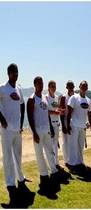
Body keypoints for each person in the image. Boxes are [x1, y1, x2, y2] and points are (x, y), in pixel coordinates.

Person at [0, 63, 35, 208]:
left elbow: (22, 104)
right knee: (8, 156)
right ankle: (10, 183)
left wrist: (21, 123)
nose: (16, 74)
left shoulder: (19, 88)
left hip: (17, 129)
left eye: (17, 72)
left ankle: (21, 178)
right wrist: (2, 119)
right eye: (14, 72)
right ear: (8, 74)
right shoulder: (2, 88)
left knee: (18, 155)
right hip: (6, 130)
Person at [27, 76, 60, 198]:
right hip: (37, 131)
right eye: (38, 83)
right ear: (35, 84)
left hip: (46, 130)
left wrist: (51, 128)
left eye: (42, 83)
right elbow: (30, 117)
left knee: (50, 152)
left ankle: (54, 172)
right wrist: (34, 132)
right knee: (40, 155)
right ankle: (44, 176)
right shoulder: (31, 99)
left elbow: (46, 114)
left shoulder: (45, 98)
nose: (41, 85)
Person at [66, 81, 91, 172]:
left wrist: (90, 124)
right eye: (82, 86)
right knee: (73, 145)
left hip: (82, 126)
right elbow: (69, 112)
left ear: (87, 88)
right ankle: (72, 164)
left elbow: (89, 114)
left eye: (86, 86)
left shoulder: (88, 100)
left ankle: (80, 162)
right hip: (74, 125)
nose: (84, 88)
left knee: (80, 146)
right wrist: (68, 125)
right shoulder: (74, 97)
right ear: (79, 86)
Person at [46, 80, 63, 170]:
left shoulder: (56, 97)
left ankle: (56, 163)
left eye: (55, 86)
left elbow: (57, 109)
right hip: (50, 124)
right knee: (50, 145)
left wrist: (60, 111)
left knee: (55, 144)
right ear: (48, 87)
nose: (54, 88)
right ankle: (51, 164)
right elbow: (45, 111)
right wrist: (55, 112)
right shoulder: (46, 97)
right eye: (52, 86)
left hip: (57, 124)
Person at [59, 81, 75, 166]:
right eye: (69, 86)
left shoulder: (76, 97)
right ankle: (66, 161)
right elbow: (61, 112)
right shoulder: (63, 97)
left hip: (74, 121)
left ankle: (72, 159)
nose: (71, 87)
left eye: (72, 86)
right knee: (65, 142)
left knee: (73, 141)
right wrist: (63, 126)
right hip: (65, 121)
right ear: (66, 87)